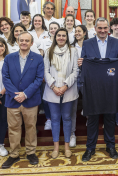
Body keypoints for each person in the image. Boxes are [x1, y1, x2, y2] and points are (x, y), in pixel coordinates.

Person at [77, 17, 118, 162]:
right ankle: (90, 148)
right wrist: (81, 63)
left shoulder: (117, 43)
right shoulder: (87, 43)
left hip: (111, 87)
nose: (103, 31)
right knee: (92, 118)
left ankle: (110, 146)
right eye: (100, 28)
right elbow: (84, 64)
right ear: (95, 29)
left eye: (105, 28)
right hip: (93, 87)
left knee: (110, 118)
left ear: (109, 28)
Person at [1, 31, 44, 169]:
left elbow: (39, 79)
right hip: (12, 100)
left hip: (30, 100)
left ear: (32, 43)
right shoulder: (9, 58)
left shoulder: (38, 58)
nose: (24, 43)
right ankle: (14, 154)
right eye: (21, 40)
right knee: (13, 128)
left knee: (31, 127)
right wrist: (15, 94)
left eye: (27, 41)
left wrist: (25, 94)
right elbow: (5, 78)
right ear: (18, 42)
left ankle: (31, 153)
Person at [44, 28, 79, 158]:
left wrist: (65, 86)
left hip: (68, 89)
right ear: (55, 37)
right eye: (59, 35)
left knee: (67, 118)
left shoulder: (73, 51)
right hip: (52, 90)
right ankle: (56, 147)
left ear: (67, 37)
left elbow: (75, 71)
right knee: (54, 119)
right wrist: (53, 86)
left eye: (64, 36)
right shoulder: (49, 51)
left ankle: (67, 147)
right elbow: (45, 71)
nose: (61, 38)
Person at [69, 25, 89, 147]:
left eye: (79, 31)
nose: (77, 33)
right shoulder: (71, 46)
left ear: (85, 33)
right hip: (74, 77)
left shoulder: (90, 45)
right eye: (75, 31)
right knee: (73, 104)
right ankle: (72, 134)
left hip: (87, 76)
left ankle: (88, 118)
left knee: (89, 100)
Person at [38, 21, 60, 131]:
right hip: (47, 74)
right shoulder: (44, 41)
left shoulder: (62, 41)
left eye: (55, 28)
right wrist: (42, 74)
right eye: (51, 28)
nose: (53, 30)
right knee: (46, 99)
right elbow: (41, 59)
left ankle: (58, 119)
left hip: (60, 74)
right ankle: (49, 119)